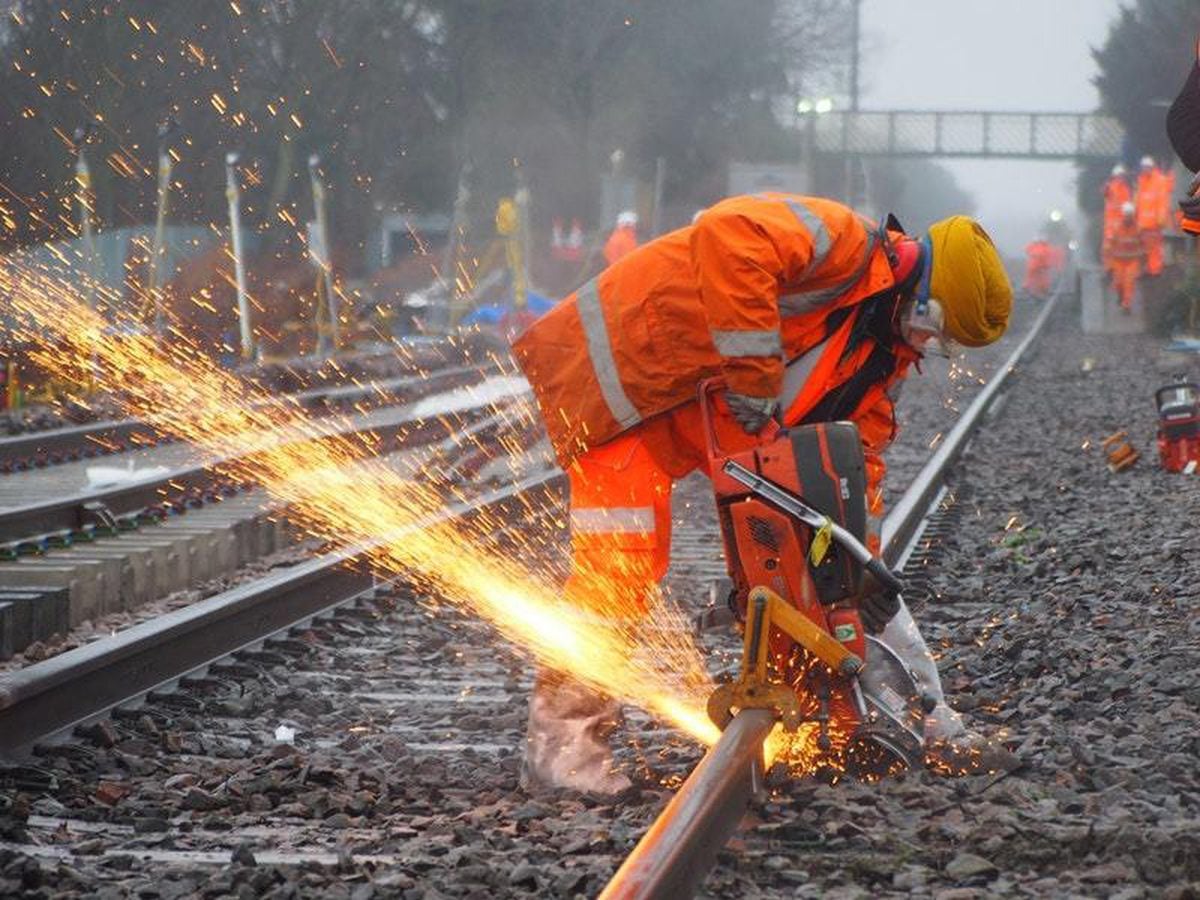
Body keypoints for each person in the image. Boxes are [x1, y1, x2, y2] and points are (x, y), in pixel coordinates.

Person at [512, 192, 1013, 793]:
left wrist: (863, 563)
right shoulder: (838, 241)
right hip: (625, 381)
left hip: (699, 409)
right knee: (618, 571)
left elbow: (857, 471)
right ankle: (560, 749)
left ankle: (927, 721)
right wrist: (754, 373)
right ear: (921, 292)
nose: (930, 347)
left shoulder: (884, 357)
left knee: (827, 571)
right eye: (937, 331)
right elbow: (726, 235)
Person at [1104, 201, 1145, 312]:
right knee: (1118, 283)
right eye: (1126, 215)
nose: (1128, 218)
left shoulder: (1138, 228)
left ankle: (1126, 305)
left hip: (1132, 261)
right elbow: (1109, 244)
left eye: (1130, 215)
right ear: (1123, 215)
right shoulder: (1116, 227)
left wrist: (1142, 259)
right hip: (1118, 261)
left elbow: (1142, 244)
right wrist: (1108, 265)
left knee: (1129, 283)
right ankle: (1120, 296)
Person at [1135, 156, 1168, 276]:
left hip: (1154, 223)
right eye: (1143, 168)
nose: (1145, 170)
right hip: (1143, 223)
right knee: (1144, 248)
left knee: (1154, 248)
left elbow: (1162, 201)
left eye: (1147, 168)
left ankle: (1155, 270)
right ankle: (1147, 269)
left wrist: (1160, 219)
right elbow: (1138, 201)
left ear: (1152, 168)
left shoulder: (1159, 181)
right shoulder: (1142, 181)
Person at [1102, 164, 1132, 258]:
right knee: (1109, 247)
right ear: (1115, 176)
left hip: (1122, 224)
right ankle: (1109, 269)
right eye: (1119, 175)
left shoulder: (1126, 189)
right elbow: (1105, 193)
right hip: (1111, 225)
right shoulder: (1110, 187)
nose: (1121, 178)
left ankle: (1117, 268)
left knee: (1121, 247)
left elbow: (1128, 205)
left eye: (1122, 176)